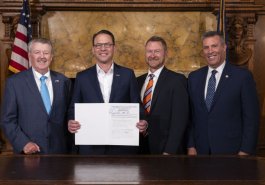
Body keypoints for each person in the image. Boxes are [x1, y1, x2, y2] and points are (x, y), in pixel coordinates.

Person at [67, 29, 148, 155]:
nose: (103, 48)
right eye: (98, 45)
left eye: (107, 44)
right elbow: (73, 108)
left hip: (122, 147)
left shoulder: (128, 74)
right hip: (91, 147)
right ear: (93, 49)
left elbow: (137, 105)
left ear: (114, 48)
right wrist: (70, 121)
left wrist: (144, 121)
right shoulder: (82, 77)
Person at [187, 31, 260, 155]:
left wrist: (245, 150)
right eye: (206, 47)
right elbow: (190, 116)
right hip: (200, 151)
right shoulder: (194, 78)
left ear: (224, 47)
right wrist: (191, 146)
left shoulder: (242, 77)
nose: (210, 51)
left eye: (214, 46)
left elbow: (251, 118)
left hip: (232, 151)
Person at [1, 38, 72, 154]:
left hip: (60, 153)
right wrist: (23, 143)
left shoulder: (63, 81)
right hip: (30, 154)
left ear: (51, 56)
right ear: (29, 56)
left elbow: (69, 112)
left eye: (46, 52)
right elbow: (7, 120)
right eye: (37, 52)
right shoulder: (15, 83)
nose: (42, 56)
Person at [137, 36, 189, 155]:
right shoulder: (136, 81)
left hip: (165, 149)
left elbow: (179, 120)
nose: (153, 55)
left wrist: (169, 151)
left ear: (165, 53)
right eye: (149, 51)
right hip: (139, 150)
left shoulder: (177, 80)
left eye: (157, 51)